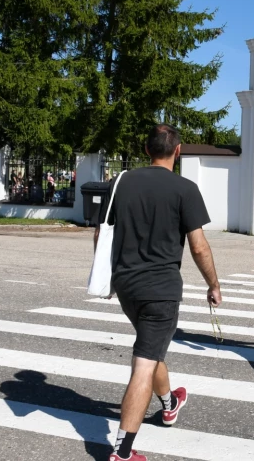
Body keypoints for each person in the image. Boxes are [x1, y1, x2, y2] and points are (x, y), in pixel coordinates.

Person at [95, 124, 222, 461]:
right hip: (161, 289)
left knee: (150, 348)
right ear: (177, 151)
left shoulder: (120, 183)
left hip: (126, 286)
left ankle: (169, 403)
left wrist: (108, 275)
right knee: (143, 364)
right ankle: (122, 451)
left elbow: (100, 234)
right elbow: (199, 248)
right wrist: (213, 284)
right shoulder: (185, 188)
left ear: (146, 149)